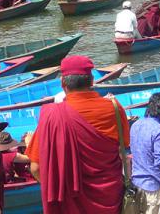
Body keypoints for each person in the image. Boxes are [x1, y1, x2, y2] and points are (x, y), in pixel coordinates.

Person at [26, 55, 130, 214]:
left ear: (62, 83)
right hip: (110, 199)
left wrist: (59, 189)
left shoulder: (52, 116)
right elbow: (124, 147)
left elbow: (36, 168)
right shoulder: (114, 109)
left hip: (70, 204)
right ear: (92, 80)